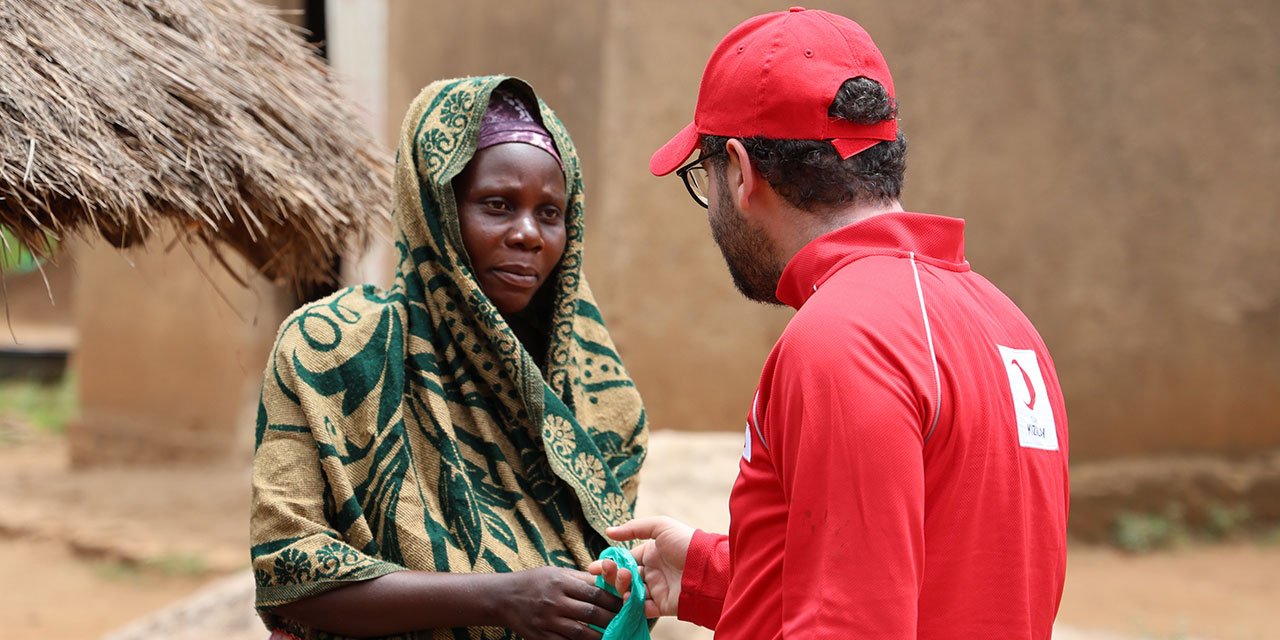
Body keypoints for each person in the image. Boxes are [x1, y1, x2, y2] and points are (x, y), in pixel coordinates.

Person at [593, 8, 1069, 639]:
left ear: (738, 170)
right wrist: (708, 575)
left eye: (701, 177)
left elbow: (852, 625)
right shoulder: (1010, 327)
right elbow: (931, 579)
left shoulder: (842, 340)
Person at [251, 76, 648, 640]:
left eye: (551, 213)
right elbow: (287, 567)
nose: (529, 235)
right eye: (497, 205)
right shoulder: (332, 350)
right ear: (434, 208)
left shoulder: (600, 395)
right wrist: (500, 597)